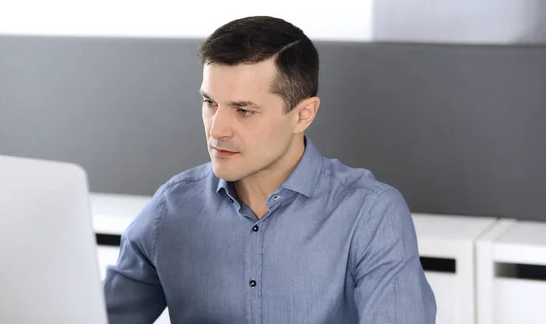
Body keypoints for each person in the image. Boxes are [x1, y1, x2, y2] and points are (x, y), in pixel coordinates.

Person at [103, 15, 436, 324]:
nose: (217, 130)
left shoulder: (370, 214)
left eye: (244, 110)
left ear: (303, 115)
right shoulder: (171, 208)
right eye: (210, 103)